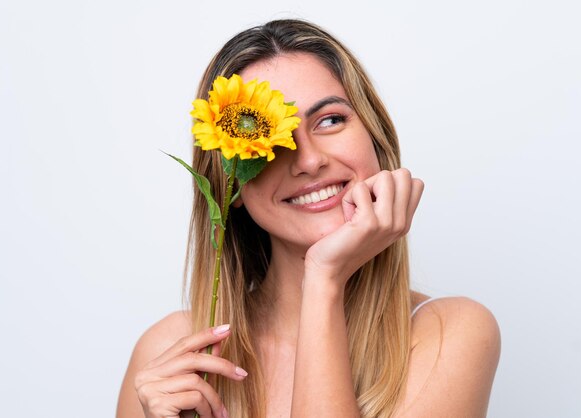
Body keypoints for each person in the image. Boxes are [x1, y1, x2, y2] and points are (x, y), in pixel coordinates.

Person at [116, 19, 500, 418]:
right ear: (229, 186)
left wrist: (324, 278)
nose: (310, 160)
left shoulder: (448, 333)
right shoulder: (168, 354)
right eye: (272, 139)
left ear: (376, 139)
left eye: (330, 120)